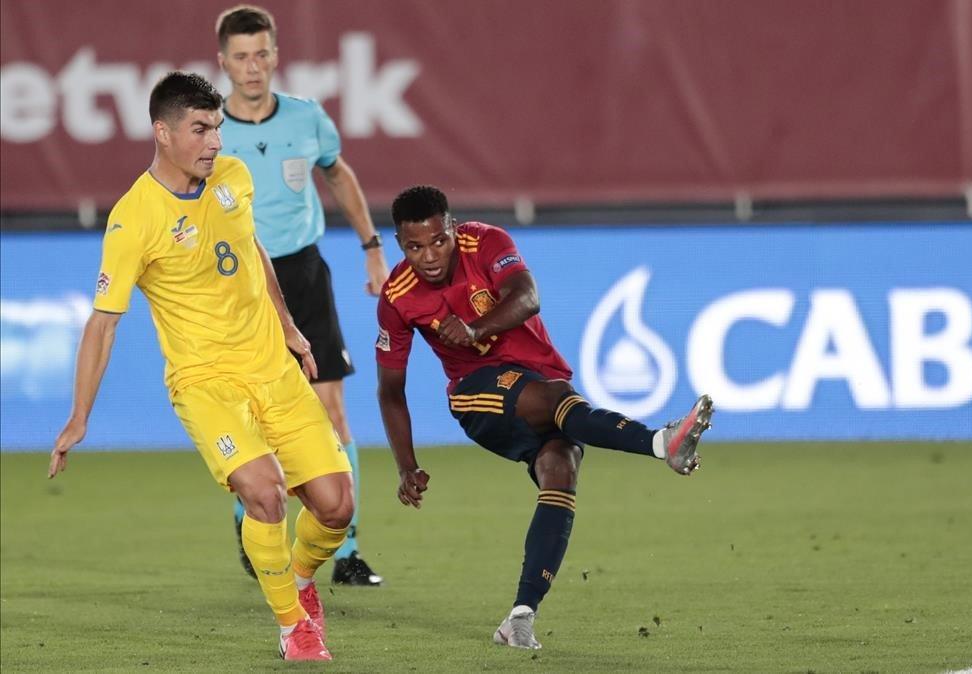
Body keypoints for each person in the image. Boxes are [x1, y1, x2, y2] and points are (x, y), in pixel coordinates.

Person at [48, 72, 352, 661]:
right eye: (200, 129)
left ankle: (301, 577)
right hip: (207, 384)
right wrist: (79, 415)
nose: (215, 141)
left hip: (273, 369)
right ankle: (294, 625)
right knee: (265, 495)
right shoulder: (133, 219)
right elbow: (103, 322)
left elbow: (251, 249)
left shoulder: (232, 178)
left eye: (217, 127)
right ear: (162, 133)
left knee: (337, 507)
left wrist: (288, 326)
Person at [376, 185, 714, 649]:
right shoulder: (397, 296)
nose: (429, 255)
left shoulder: (486, 242)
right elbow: (391, 391)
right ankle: (661, 444)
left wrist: (475, 327)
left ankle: (519, 617)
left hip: (539, 377)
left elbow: (527, 296)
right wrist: (405, 464)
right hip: (477, 396)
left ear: (452, 228)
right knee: (554, 400)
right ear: (400, 244)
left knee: (560, 468)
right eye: (414, 246)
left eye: (438, 240)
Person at [214, 4, 388, 587]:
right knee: (252, 414)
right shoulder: (210, 130)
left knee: (331, 410)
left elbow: (337, 173)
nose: (253, 66)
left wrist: (371, 246)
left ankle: (347, 547)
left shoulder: (307, 119)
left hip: (305, 273)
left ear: (275, 56)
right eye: (241, 57)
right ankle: (250, 515)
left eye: (261, 53)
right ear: (223, 63)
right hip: (240, 283)